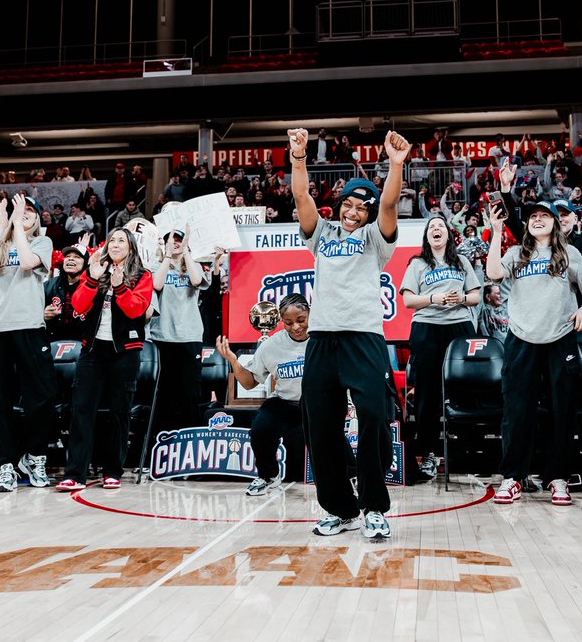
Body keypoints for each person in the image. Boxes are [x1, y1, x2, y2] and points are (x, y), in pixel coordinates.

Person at [290, 126, 410, 540]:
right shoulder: (322, 236)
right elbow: (302, 197)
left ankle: (375, 506)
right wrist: (299, 156)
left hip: (363, 339)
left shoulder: (377, 239)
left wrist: (395, 165)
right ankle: (339, 509)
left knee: (375, 417)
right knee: (320, 425)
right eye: (348, 203)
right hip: (322, 340)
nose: (353, 210)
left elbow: (391, 201)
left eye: (362, 206)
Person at [485, 199, 582, 506]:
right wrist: (496, 232)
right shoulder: (515, 253)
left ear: (554, 222)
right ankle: (513, 478)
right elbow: (494, 273)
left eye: (544, 215)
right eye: (533, 216)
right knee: (517, 412)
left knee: (562, 411)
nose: (537, 219)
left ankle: (557, 478)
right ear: (527, 223)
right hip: (522, 339)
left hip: (560, 338)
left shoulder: (569, 254)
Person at [55, 228, 154, 491]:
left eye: (121, 240)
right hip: (92, 351)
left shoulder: (143, 276)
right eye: (112, 240)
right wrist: (91, 278)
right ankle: (75, 474)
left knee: (119, 412)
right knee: (82, 410)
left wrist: (120, 286)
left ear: (131, 247)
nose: (116, 244)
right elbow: (78, 305)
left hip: (125, 352)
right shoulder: (96, 270)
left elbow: (135, 309)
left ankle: (113, 471)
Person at [0, 194, 57, 492]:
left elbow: (26, 263)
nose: (23, 213)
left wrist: (19, 229)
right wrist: (1, 226)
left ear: (37, 219)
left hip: (28, 325)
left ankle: (34, 456)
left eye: (30, 211)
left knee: (42, 395)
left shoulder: (41, 243)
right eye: (19, 210)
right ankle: (6, 464)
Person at [399, 215, 481, 482]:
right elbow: (409, 300)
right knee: (427, 393)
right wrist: (433, 298)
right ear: (427, 236)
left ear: (449, 234)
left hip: (459, 326)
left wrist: (463, 298)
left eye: (440, 226)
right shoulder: (418, 263)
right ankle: (429, 452)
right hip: (427, 327)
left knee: (467, 389)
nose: (436, 229)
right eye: (431, 227)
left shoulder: (462, 262)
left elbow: (476, 296)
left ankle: (468, 449)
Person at [216, 294, 310, 496]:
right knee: (261, 429)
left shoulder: (324, 339)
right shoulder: (271, 345)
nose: (296, 327)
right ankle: (268, 476)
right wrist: (233, 360)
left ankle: (350, 475)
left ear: (310, 314)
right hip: (285, 401)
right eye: (288, 323)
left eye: (301, 320)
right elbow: (249, 383)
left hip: (315, 404)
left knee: (332, 437)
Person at [149, 230, 207, 431]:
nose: (175, 243)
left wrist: (187, 253)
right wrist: (166, 255)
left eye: (179, 240)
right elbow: (156, 284)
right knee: (164, 393)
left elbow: (197, 281)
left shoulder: (194, 265)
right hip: (161, 336)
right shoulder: (156, 266)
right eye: (170, 240)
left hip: (189, 336)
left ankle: (188, 440)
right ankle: (161, 443)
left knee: (189, 393)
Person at [44, 244, 90, 342]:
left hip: (84, 344)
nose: (70, 259)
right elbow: (32, 313)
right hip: (53, 341)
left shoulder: (92, 287)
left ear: (85, 263)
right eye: (68, 257)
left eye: (77, 257)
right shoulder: (48, 285)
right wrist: (43, 315)